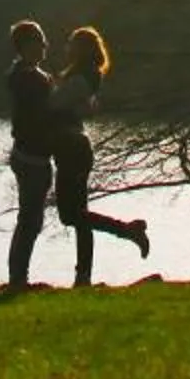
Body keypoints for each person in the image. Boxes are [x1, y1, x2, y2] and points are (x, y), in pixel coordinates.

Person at [48, 24, 150, 287]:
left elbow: (54, 104)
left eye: (72, 43)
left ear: (82, 49)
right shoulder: (85, 77)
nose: (68, 48)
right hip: (74, 148)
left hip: (71, 148)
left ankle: (127, 230)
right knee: (80, 215)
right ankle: (83, 276)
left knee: (71, 215)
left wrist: (47, 89)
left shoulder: (82, 78)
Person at [4, 19, 54, 292]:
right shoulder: (29, 78)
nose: (44, 47)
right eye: (38, 42)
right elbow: (42, 115)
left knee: (31, 219)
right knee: (30, 220)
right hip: (31, 156)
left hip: (31, 154)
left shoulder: (28, 75)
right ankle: (18, 278)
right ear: (25, 46)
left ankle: (18, 276)